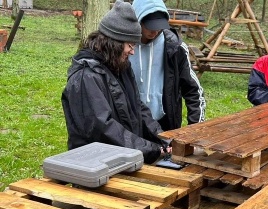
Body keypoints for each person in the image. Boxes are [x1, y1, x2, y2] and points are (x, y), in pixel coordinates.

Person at [61, 0, 168, 164]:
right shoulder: (85, 77)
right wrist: (151, 149)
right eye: (130, 45)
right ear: (115, 43)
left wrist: (163, 139)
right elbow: (103, 129)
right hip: (95, 166)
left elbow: (138, 107)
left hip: (122, 161)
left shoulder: (120, 66)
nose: (132, 51)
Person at [130, 0, 206, 132]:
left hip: (165, 126)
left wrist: (194, 130)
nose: (155, 32)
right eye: (150, 27)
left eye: (159, 26)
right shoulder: (123, 46)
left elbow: (193, 91)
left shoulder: (175, 48)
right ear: (138, 20)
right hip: (130, 125)